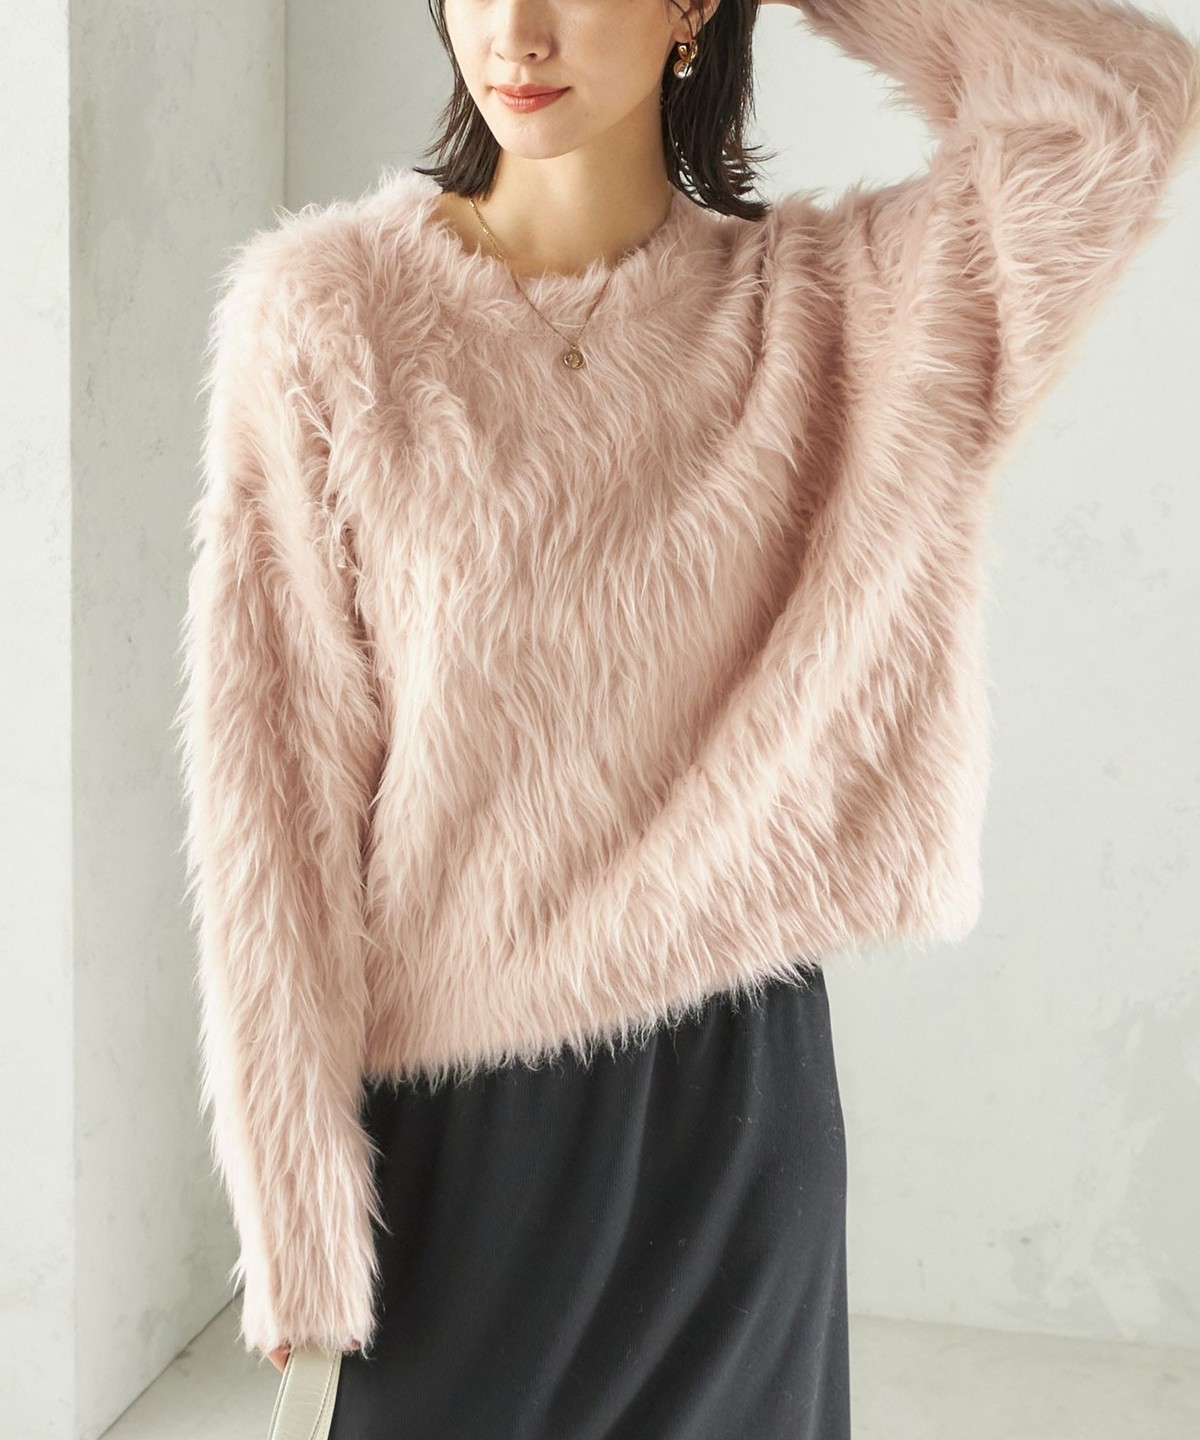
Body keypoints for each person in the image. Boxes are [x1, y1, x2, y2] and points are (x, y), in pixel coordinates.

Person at [174, 1, 1200, 1437]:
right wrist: (295, 1208)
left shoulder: (843, 319)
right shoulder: (328, 316)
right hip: (451, 1143)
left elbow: (1116, 107)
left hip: (733, 1120)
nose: (516, 30)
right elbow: (273, 796)